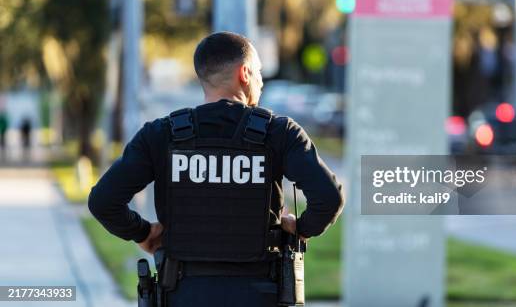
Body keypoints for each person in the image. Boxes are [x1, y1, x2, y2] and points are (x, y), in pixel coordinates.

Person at [88, 31, 344, 307]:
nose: (261, 82)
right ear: (244, 73)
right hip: (260, 294)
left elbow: (104, 201)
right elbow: (328, 199)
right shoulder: (280, 133)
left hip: (182, 293)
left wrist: (144, 233)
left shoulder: (161, 134)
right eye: (258, 73)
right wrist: (300, 228)